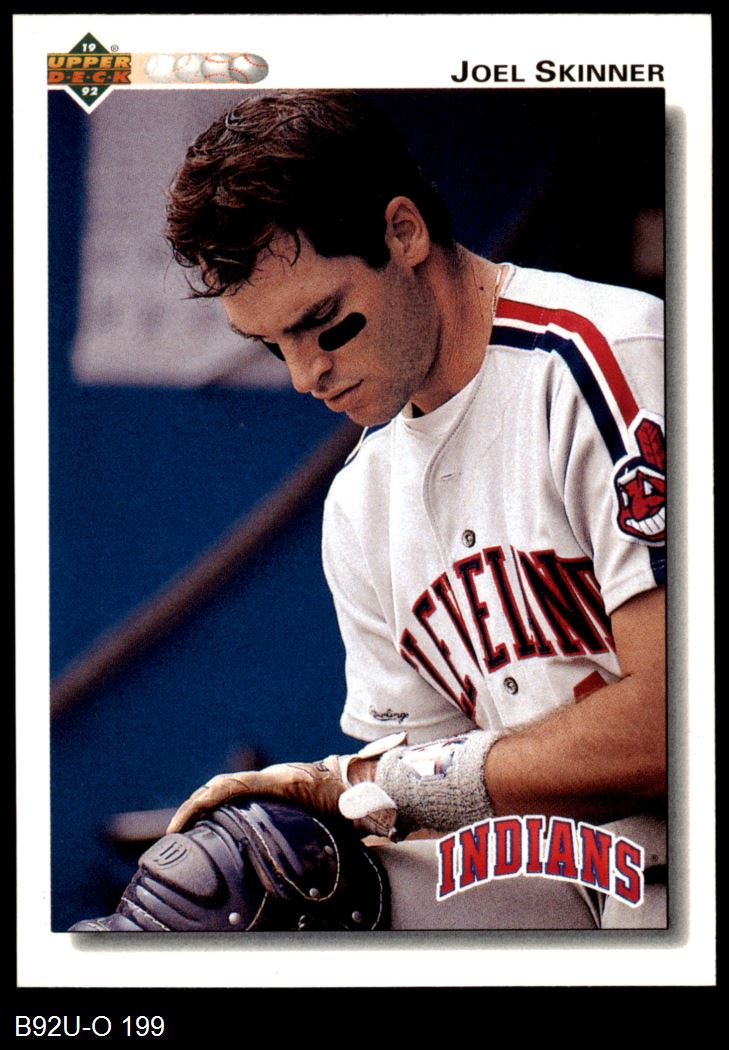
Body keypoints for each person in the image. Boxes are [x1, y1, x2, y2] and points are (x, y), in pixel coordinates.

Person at [159, 90, 666, 930]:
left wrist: (368, 783)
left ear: (402, 232)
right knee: (238, 892)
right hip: (575, 876)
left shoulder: (606, 361)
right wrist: (338, 813)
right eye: (273, 346)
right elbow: (433, 806)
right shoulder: (361, 502)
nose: (305, 375)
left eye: (323, 323)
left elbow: (671, 726)